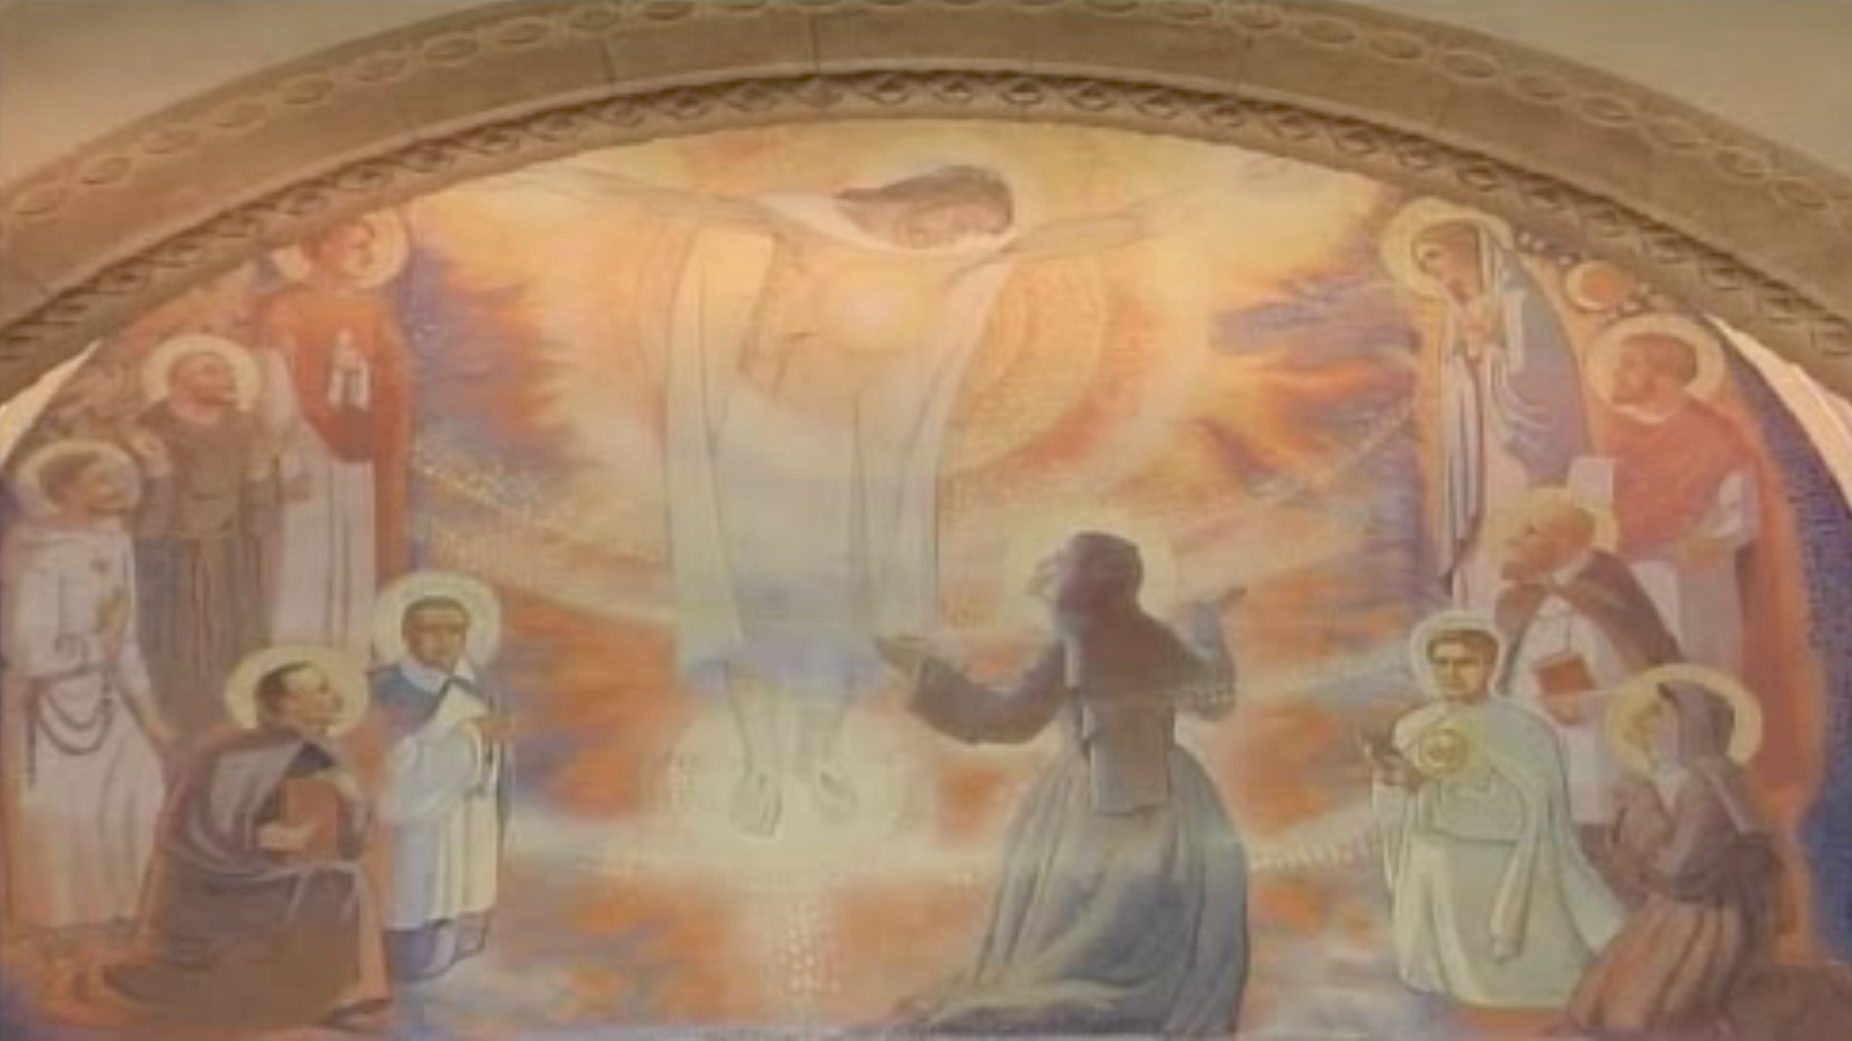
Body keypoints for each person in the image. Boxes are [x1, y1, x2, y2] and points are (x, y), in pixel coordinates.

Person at [512, 161, 1210, 835]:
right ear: (934, 192)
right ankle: (761, 763)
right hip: (756, 450)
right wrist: (567, 177)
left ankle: (814, 757)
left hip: (846, 463)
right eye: (958, 220)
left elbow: (1064, 238)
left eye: (972, 235)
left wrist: (1166, 212)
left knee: (844, 613)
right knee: (753, 608)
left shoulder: (942, 265)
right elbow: (693, 208)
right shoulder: (811, 224)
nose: (955, 239)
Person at [876, 531, 1248, 1036]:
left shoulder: (1074, 645)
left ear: (1085, 581)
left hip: (1090, 805)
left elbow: (1006, 718)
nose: (1052, 577)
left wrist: (926, 673)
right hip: (1170, 800)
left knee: (1074, 941)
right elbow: (1216, 698)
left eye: (1063, 566)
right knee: (1127, 929)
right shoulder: (1156, 638)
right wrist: (1206, 627)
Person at [57, 646, 389, 1032]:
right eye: (319, 689)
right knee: (343, 882)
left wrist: (352, 801)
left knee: (345, 877)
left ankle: (331, 992)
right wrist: (268, 840)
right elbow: (208, 834)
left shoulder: (322, 752)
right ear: (286, 705)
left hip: (274, 874)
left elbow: (351, 845)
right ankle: (337, 995)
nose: (333, 696)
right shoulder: (233, 752)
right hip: (217, 884)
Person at [1367, 612, 1622, 1009]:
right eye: (1441, 663)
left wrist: (1434, 792)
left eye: (1465, 662)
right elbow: (1396, 807)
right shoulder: (1413, 727)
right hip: (1427, 866)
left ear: (1490, 666)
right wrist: (1391, 783)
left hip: (1493, 869)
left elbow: (1531, 813)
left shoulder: (1523, 730)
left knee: (1496, 987)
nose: (1451, 673)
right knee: (1434, 980)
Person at [0, 441, 174, 939]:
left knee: (143, 790)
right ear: (65, 489)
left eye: (116, 477)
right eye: (100, 479)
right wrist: (100, 646)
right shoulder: (37, 552)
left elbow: (127, 642)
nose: (116, 488)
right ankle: (63, 934)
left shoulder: (115, 543)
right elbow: (30, 653)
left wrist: (150, 715)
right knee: (59, 814)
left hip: (105, 700)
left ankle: (127, 917)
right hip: (47, 709)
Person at [1382, 201, 1592, 609]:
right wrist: (1470, 357)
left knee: (1515, 522)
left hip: (1521, 441)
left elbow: (1541, 383)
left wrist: (1489, 350)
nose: (1431, 270)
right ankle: (1479, 611)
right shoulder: (1457, 314)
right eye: (1423, 264)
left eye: (1434, 256)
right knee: (1481, 538)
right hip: (1477, 445)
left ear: (1466, 247)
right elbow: (1458, 381)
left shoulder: (1519, 302)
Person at [1568, 677, 1780, 1037]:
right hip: (1693, 908)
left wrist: (1643, 807)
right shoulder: (1721, 777)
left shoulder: (1706, 785)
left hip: (1706, 918)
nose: (1654, 731)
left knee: (1630, 1011)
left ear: (1693, 726)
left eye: (1664, 719)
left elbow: (1677, 872)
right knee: (1604, 996)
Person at [1490, 490, 1681, 884]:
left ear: (1563, 540)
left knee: (1605, 872)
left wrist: (1590, 704)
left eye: (1528, 533)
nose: (1513, 543)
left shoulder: (1611, 590)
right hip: (1538, 768)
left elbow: (1658, 684)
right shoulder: (1521, 601)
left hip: (1602, 767)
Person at [257, 215, 413, 655]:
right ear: (322, 246)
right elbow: (276, 375)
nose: (367, 255)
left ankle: (350, 650)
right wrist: (328, 384)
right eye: (356, 245)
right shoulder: (287, 307)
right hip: (305, 439)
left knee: (354, 540)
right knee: (305, 543)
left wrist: (360, 374)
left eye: (370, 246)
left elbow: (397, 372)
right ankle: (299, 651)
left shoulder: (374, 310)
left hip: (357, 439)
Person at [127, 335, 280, 747]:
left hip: (232, 557)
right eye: (211, 370)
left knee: (236, 640)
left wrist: (260, 478)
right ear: (177, 380)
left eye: (227, 369)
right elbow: (142, 522)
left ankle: (237, 726)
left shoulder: (246, 427)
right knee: (177, 645)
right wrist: (160, 474)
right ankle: (181, 731)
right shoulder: (151, 431)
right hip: (172, 559)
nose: (226, 377)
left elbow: (263, 514)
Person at [1585, 325, 1761, 675]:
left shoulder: (1713, 438)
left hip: (1689, 586)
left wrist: (1713, 540)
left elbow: (1742, 513)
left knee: (1689, 675)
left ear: (1664, 375)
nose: (1617, 374)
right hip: (1623, 582)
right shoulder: (1615, 436)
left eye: (1630, 365)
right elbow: (1590, 509)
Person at [370, 572, 511, 982]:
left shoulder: (479, 689)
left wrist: (487, 753)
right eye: (430, 630)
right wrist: (471, 739)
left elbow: (496, 773)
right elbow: (389, 773)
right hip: (410, 831)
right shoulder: (383, 690)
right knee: (413, 909)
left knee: (456, 902)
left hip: (464, 823)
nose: (444, 640)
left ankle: (453, 937)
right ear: (405, 633)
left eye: (454, 630)